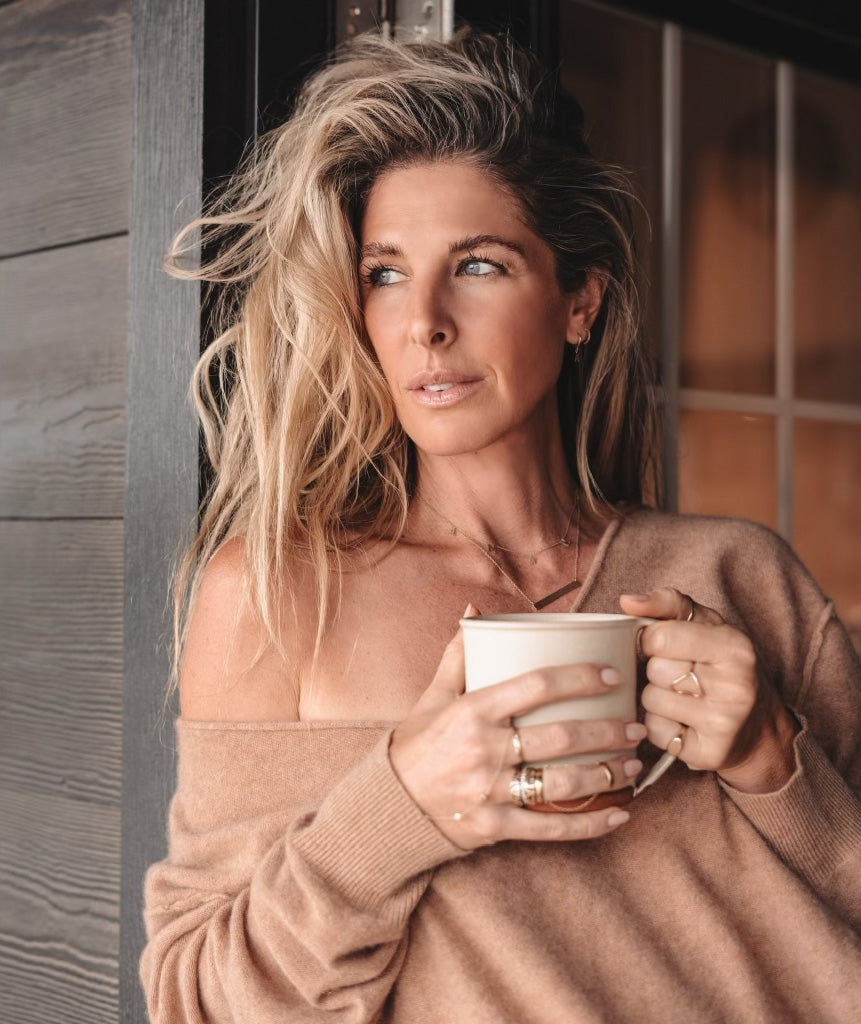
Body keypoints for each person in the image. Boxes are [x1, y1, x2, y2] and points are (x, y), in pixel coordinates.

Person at [140, 28, 861, 1023]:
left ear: (579, 301)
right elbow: (196, 998)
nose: (424, 320)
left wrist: (777, 761)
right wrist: (401, 808)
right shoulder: (277, 597)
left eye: (477, 265)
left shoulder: (739, 575)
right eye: (386, 272)